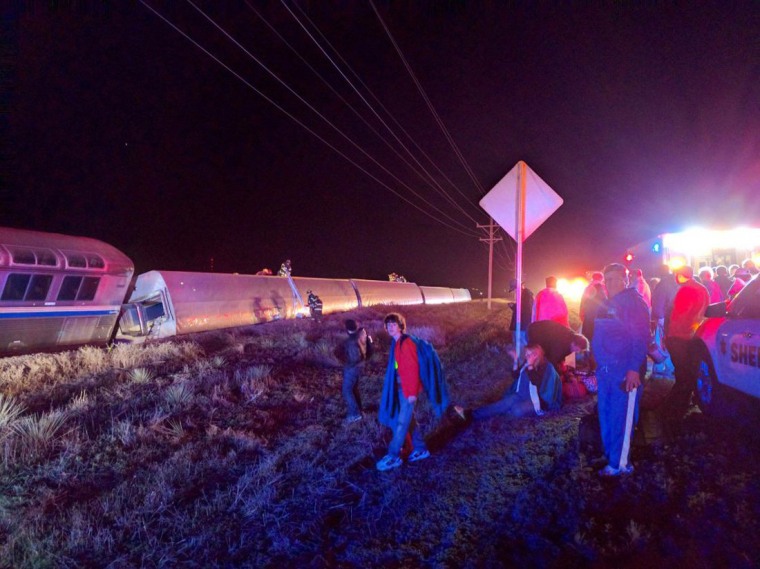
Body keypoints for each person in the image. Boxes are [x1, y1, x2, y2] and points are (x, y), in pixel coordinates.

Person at [592, 263, 650, 477]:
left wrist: (633, 369)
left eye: (617, 279)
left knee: (622, 417)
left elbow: (640, 337)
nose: (612, 283)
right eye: (608, 280)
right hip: (606, 371)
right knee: (606, 414)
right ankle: (610, 455)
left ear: (626, 280)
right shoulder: (608, 303)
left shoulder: (634, 302)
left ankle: (620, 465)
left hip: (624, 371)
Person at [376, 312, 449, 471]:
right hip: (402, 388)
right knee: (409, 421)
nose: (390, 327)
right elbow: (398, 367)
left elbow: (412, 370)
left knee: (402, 423)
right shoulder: (396, 344)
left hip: (408, 390)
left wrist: (411, 394)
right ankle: (421, 449)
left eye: (394, 324)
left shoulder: (406, 343)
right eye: (388, 325)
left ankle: (393, 456)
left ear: (401, 326)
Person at [661, 265, 709, 428]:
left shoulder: (686, 290)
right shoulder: (702, 289)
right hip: (693, 336)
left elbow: (678, 315)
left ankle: (673, 410)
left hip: (679, 337)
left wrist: (668, 335)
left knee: (683, 376)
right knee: (688, 374)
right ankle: (676, 408)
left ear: (680, 275)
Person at [458, 344, 561, 420]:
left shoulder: (546, 367)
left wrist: (530, 366)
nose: (526, 357)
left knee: (516, 411)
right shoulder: (528, 362)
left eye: (529, 354)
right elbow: (516, 375)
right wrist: (515, 359)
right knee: (501, 404)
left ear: (536, 355)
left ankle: (512, 409)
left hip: (536, 400)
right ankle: (469, 415)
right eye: (526, 354)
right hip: (521, 395)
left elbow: (536, 382)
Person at [339, 319, 373, 424]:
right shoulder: (361, 335)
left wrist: (346, 363)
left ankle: (354, 414)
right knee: (354, 389)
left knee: (347, 390)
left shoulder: (351, 341)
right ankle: (360, 411)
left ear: (346, 328)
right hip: (359, 366)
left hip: (352, 368)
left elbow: (354, 358)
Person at [508, 279, 534, 349]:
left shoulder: (527, 296)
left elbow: (526, 311)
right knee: (517, 344)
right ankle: (518, 358)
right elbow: (521, 307)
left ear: (520, 287)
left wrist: (513, 306)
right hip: (520, 325)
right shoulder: (523, 295)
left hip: (522, 326)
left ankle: (522, 359)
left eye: (515, 289)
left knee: (522, 345)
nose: (515, 291)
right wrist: (514, 306)